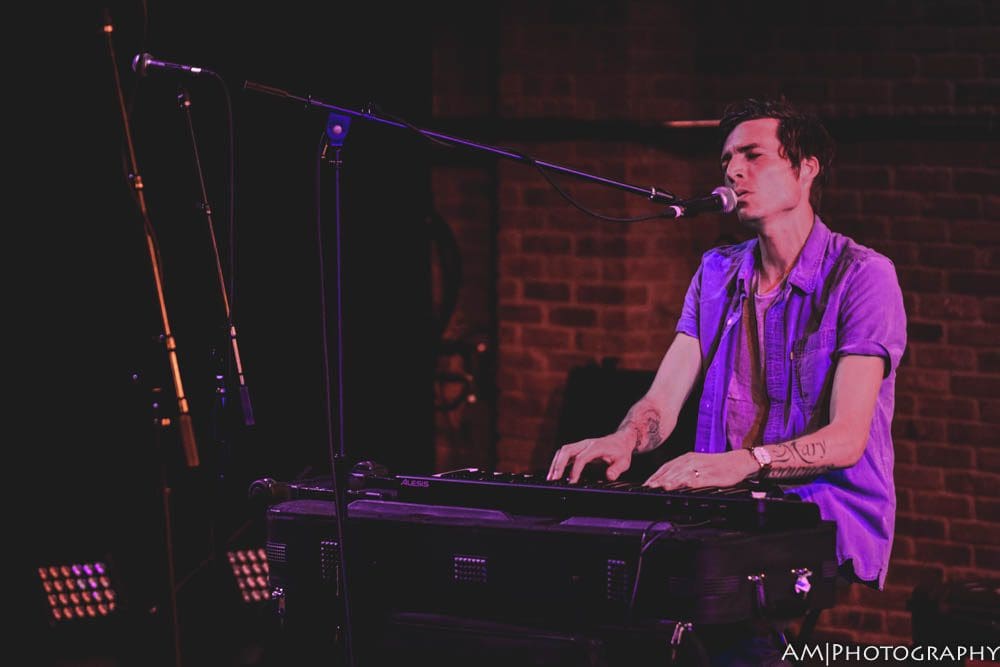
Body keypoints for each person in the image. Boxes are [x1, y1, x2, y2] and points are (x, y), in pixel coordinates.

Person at [547, 97, 907, 665]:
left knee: (727, 634)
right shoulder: (717, 271)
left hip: (818, 508)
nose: (734, 171)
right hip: (728, 505)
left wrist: (741, 464)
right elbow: (663, 399)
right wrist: (625, 438)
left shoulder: (862, 276)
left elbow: (846, 439)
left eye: (753, 155)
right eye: (727, 160)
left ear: (806, 168)